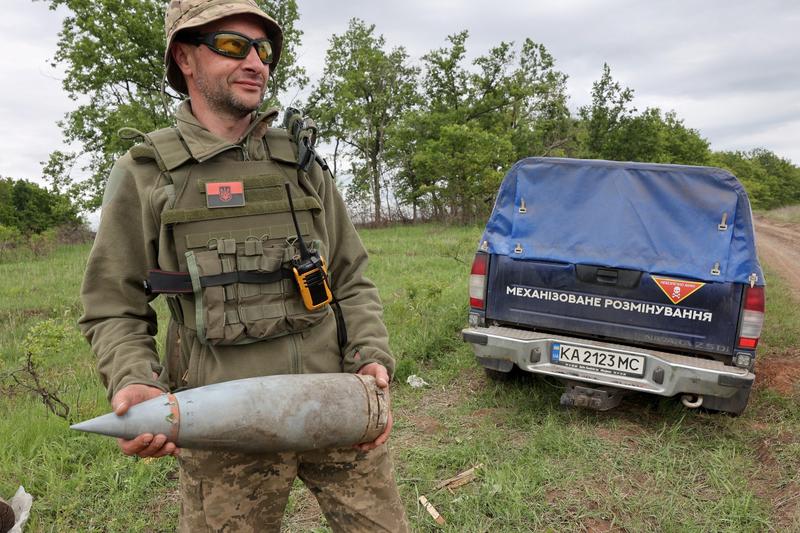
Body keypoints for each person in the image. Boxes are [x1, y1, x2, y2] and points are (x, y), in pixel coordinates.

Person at [78, 1, 409, 531]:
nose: (256, 61)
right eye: (233, 46)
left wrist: (370, 355)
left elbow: (350, 274)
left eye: (264, 49)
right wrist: (134, 379)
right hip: (224, 429)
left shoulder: (299, 161)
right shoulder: (148, 174)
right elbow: (112, 303)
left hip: (334, 402)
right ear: (185, 58)